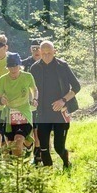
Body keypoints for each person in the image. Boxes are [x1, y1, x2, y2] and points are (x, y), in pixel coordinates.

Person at [28, 41, 80, 169]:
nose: (46, 55)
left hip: (60, 112)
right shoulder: (34, 68)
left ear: (54, 52)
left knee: (58, 147)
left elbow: (77, 86)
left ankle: (66, 161)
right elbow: (30, 88)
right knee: (43, 147)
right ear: (39, 52)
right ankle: (48, 172)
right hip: (42, 113)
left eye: (49, 53)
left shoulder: (62, 66)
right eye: (43, 53)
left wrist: (63, 100)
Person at [0, 53, 38, 157]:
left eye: (15, 66)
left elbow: (35, 90)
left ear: (20, 66)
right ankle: (27, 145)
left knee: (17, 142)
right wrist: (1, 100)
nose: (13, 69)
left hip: (24, 113)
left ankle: (19, 169)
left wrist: (35, 99)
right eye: (10, 67)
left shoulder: (27, 76)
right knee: (11, 145)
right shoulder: (3, 79)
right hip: (9, 115)